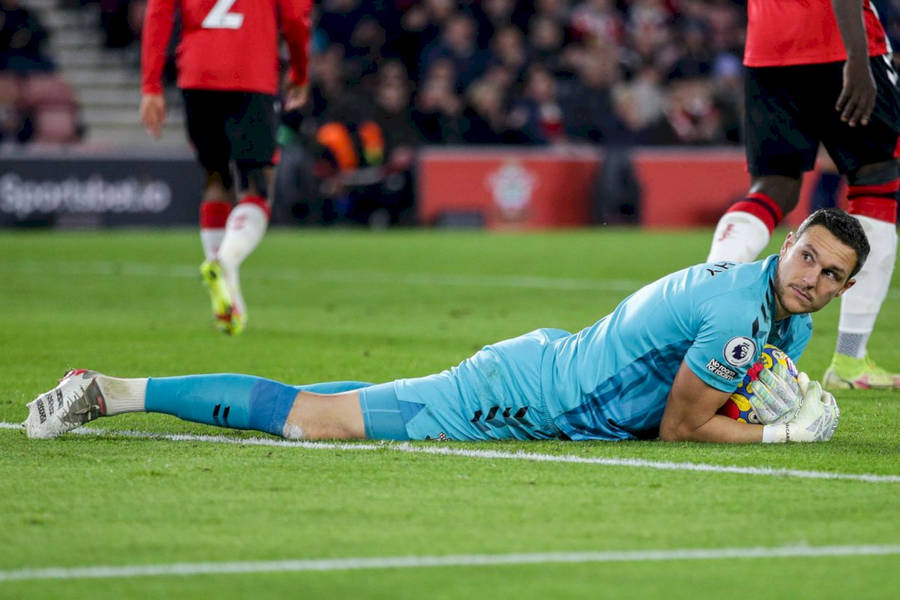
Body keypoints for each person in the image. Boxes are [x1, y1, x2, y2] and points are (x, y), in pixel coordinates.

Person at [25, 209, 865, 444]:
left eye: (835, 276)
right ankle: (107, 390)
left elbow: (716, 400)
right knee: (315, 423)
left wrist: (767, 408)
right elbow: (682, 427)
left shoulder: (776, 316)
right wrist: (778, 438)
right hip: (527, 397)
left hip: (549, 376)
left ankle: (115, 389)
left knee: (323, 402)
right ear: (787, 243)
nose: (815, 280)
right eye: (809, 259)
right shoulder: (737, 318)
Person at [705, 0, 900, 390]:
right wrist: (857, 60)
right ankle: (849, 359)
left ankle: (705, 294)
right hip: (838, 41)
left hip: (768, 46)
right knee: (877, 181)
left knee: (773, 185)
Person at [139, 0, 312, 335]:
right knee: (257, 186)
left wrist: (151, 87)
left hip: (197, 75)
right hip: (251, 74)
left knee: (215, 177)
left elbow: (158, 14)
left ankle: (228, 298)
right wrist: (300, 72)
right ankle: (226, 261)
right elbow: (295, 17)